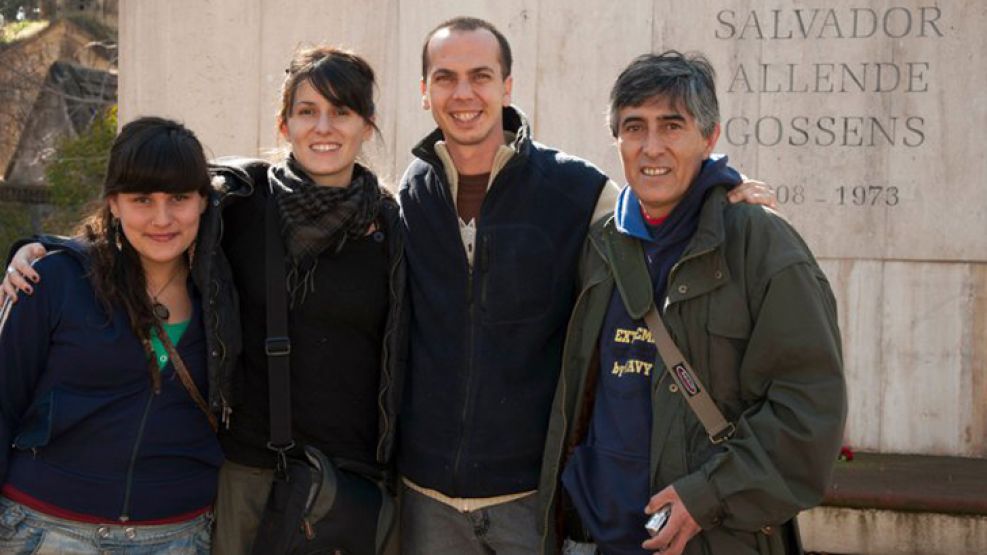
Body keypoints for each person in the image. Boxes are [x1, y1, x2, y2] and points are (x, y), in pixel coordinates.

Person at [1, 46, 405, 555]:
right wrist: (42, 251)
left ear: (367, 125)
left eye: (341, 111)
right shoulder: (239, 207)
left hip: (334, 485)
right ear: (283, 125)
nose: (323, 126)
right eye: (306, 111)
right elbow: (149, 204)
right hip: (221, 481)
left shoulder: (392, 228)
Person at [396, 16, 776, 555]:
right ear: (424, 92)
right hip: (424, 497)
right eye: (445, 77)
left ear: (507, 87)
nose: (463, 94)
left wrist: (719, 193)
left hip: (532, 496)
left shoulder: (577, 188)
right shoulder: (409, 192)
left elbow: (654, 214)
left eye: (481, 76)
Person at [536, 51, 847, 555]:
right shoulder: (599, 247)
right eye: (634, 127)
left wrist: (707, 495)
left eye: (672, 126)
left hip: (710, 538)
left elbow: (808, 412)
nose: (651, 147)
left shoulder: (761, 246)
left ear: (709, 137)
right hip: (591, 539)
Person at [0, 117, 224, 554]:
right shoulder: (53, 280)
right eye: (142, 199)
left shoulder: (224, 299)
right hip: (43, 529)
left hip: (177, 536)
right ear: (114, 204)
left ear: (202, 202)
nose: (162, 218)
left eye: (179, 197)